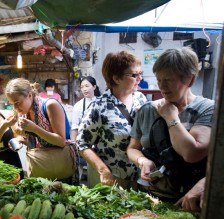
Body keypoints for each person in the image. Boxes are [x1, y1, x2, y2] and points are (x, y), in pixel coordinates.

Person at [127, 47, 214, 201]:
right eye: (159, 79)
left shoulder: (207, 108)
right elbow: (133, 148)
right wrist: (143, 161)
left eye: (168, 80)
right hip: (150, 196)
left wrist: (171, 118)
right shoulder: (147, 110)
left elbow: (191, 153)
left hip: (189, 199)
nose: (162, 86)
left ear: (190, 79)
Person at [76, 51, 147, 190]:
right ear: (116, 78)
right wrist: (103, 170)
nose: (140, 78)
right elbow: (81, 143)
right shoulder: (99, 106)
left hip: (138, 175)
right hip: (110, 178)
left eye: (140, 73)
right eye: (134, 75)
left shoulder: (140, 98)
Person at [5, 78, 77, 184]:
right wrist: (21, 139)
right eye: (12, 104)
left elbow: (61, 141)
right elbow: (38, 142)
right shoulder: (25, 113)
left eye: (17, 103)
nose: (15, 108)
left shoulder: (50, 105)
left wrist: (34, 128)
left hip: (59, 166)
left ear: (29, 95)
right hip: (41, 167)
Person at [71, 76, 101, 181]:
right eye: (82, 87)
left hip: (100, 144)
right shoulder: (78, 106)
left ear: (94, 87)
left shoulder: (101, 102)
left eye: (87, 86)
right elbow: (74, 127)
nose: (84, 89)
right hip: (85, 144)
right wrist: (74, 147)